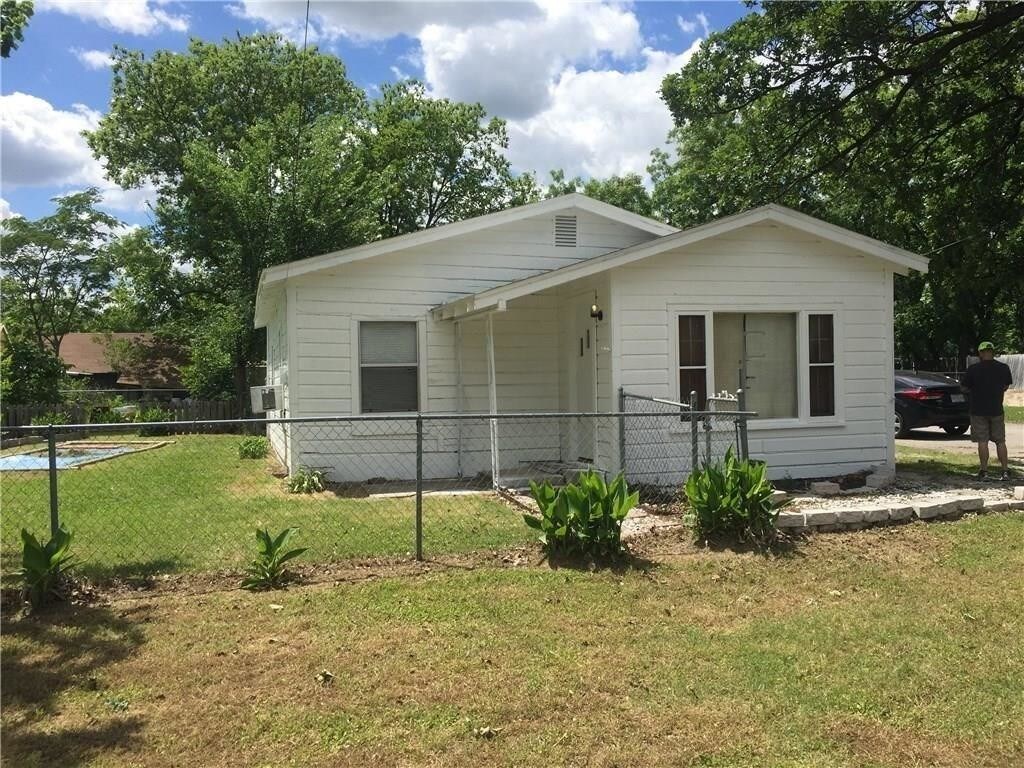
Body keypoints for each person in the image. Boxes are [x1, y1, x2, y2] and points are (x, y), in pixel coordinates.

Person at [961, 341, 1013, 480]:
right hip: (996, 409)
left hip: (978, 410)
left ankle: (984, 471)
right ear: (992, 352)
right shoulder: (1003, 368)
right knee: (1000, 441)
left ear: (980, 353)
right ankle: (1005, 471)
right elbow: (1006, 386)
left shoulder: (973, 369)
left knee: (982, 441)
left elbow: (964, 388)